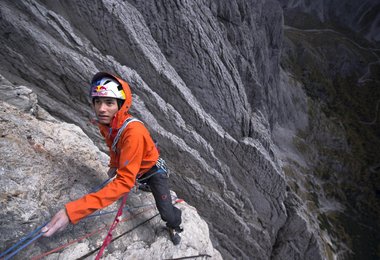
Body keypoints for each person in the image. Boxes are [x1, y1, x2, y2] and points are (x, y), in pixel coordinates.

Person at [41, 72, 182, 245]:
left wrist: (73, 212)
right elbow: (114, 146)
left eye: (109, 102)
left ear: (121, 105)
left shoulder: (133, 132)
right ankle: (145, 186)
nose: (101, 109)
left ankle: (175, 224)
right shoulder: (108, 125)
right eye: (98, 101)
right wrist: (114, 164)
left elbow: (124, 184)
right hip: (138, 168)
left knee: (166, 212)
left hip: (153, 171)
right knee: (139, 181)